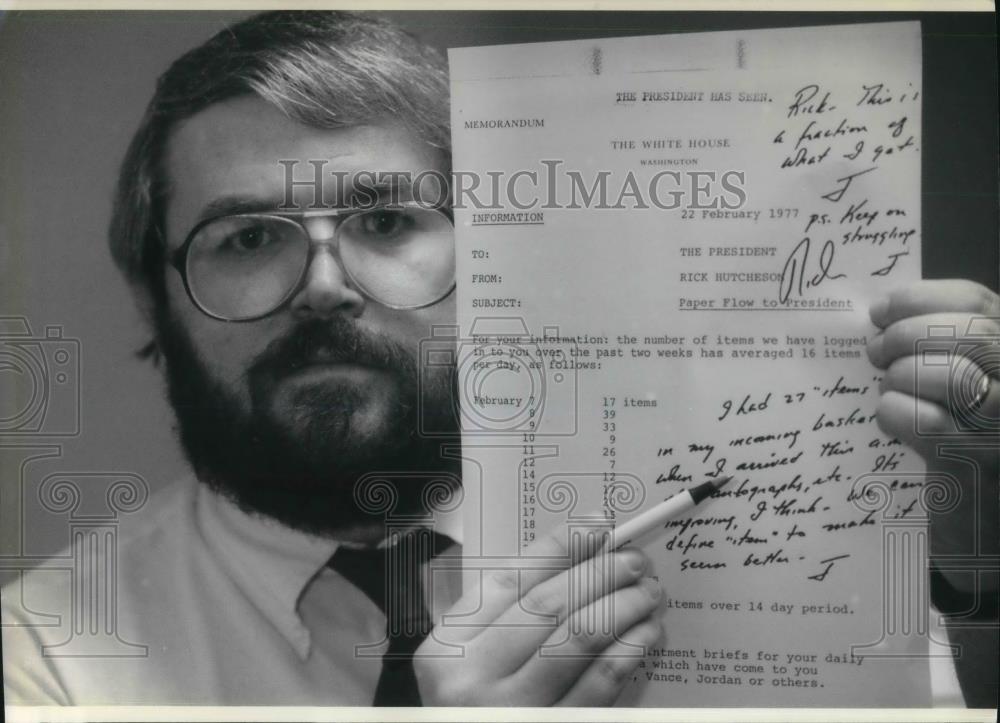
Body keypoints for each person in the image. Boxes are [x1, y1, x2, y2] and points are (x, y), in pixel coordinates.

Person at [2, 10, 997, 708]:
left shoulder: (764, 584)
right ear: (151, 295)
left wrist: (982, 557)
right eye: (247, 238)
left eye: (386, 219)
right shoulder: (44, 660)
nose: (322, 286)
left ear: (498, 254)